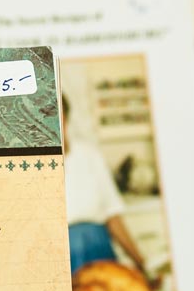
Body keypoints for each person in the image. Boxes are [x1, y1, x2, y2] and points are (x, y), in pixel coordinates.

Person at [62, 92, 149, 278]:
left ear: (66, 118)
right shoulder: (33, 166)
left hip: (100, 250)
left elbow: (113, 216)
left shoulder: (89, 156)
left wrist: (140, 263)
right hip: (62, 259)